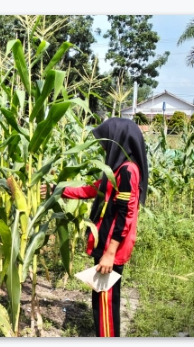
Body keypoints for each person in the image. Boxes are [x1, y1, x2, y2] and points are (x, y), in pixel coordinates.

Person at [56, 118, 148, 339]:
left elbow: (125, 213)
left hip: (111, 248)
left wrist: (110, 253)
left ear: (118, 141)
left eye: (106, 141)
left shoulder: (127, 171)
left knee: (106, 303)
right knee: (101, 299)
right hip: (105, 243)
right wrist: (58, 189)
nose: (102, 146)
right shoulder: (115, 171)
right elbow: (91, 190)